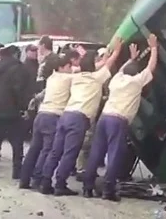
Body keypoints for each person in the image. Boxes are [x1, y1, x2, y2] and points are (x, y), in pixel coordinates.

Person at [40, 38, 123, 196]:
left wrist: (86, 54)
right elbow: (108, 64)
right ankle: (60, 185)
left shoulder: (75, 77)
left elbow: (95, 65)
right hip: (79, 119)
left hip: (66, 115)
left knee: (56, 151)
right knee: (70, 153)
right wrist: (116, 51)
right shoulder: (97, 78)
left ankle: (45, 182)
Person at [83, 36, 159, 201]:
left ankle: (87, 187)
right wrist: (153, 48)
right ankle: (108, 191)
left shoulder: (116, 79)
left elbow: (121, 70)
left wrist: (131, 59)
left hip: (104, 118)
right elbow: (151, 67)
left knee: (96, 153)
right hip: (118, 121)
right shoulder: (136, 82)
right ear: (136, 73)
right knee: (114, 155)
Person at [19, 55, 73, 189]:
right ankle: (38, 179)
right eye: (69, 66)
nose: (71, 69)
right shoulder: (68, 78)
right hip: (53, 116)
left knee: (34, 149)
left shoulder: (51, 78)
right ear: (61, 67)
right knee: (47, 150)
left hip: (41, 115)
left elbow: (40, 96)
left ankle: (24, 179)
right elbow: (86, 74)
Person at [0, 45, 30, 179]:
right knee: (17, 142)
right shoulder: (19, 68)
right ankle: (17, 171)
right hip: (12, 111)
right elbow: (20, 90)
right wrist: (23, 107)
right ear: (15, 54)